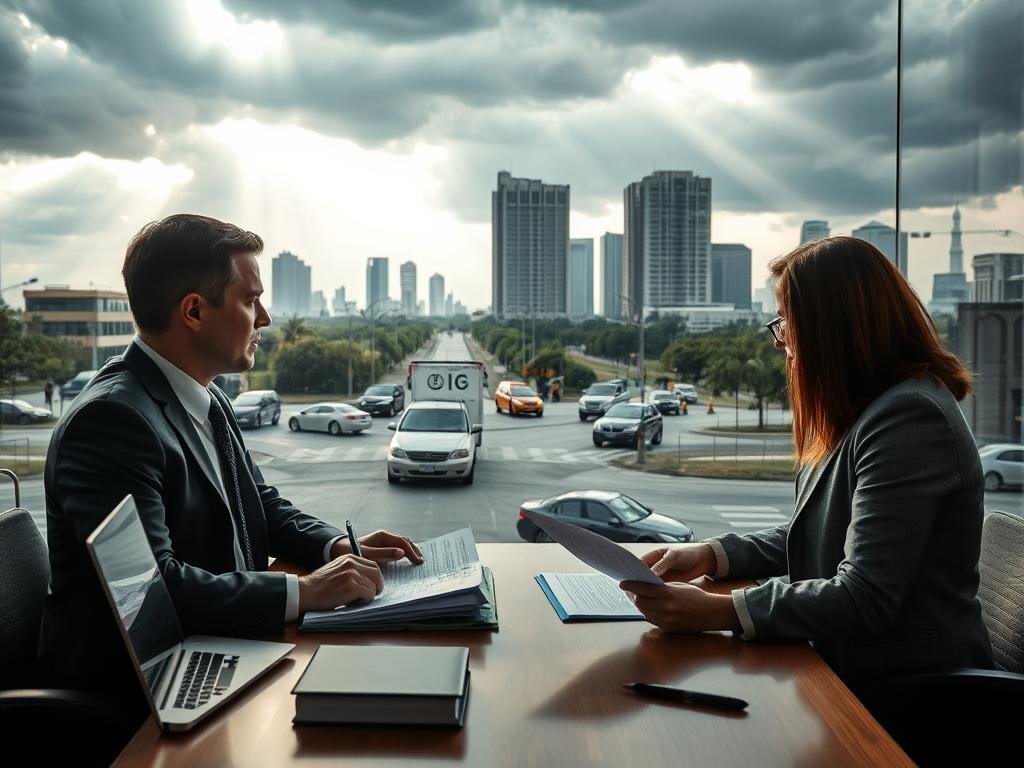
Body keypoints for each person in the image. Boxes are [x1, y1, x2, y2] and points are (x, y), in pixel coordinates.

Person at [39, 214, 424, 716]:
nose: (264, 318)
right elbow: (151, 593)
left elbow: (259, 504)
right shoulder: (112, 421)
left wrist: (337, 546)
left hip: (224, 647)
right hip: (136, 701)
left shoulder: (207, 396)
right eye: (250, 299)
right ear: (195, 311)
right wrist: (304, 591)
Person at [620, 236, 993, 694]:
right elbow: (817, 532)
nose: (782, 344)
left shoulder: (911, 418)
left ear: (831, 329)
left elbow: (863, 598)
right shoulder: (866, 409)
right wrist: (713, 555)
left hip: (907, 691)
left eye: (787, 323)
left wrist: (719, 611)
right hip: (841, 666)